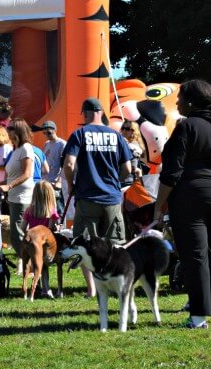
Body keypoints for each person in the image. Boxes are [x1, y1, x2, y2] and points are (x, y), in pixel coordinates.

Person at [154, 80, 211, 328]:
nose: (177, 102)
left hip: (193, 195)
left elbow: (171, 172)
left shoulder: (186, 127)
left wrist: (159, 205)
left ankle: (198, 316)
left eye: (180, 98)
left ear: (192, 101)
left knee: (195, 254)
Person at [63, 98, 133, 297]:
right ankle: (115, 286)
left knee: (85, 244)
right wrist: (113, 183)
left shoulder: (79, 134)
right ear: (101, 113)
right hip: (112, 199)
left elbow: (69, 164)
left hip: (87, 198)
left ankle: (92, 289)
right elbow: (127, 168)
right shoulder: (116, 136)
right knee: (114, 245)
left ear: (85, 113)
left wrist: (71, 185)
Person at [1, 118, 36, 255]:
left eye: (11, 130)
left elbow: (27, 174)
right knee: (16, 234)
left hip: (23, 197)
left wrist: (9, 186)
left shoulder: (26, 148)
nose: (8, 134)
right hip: (14, 197)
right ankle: (28, 263)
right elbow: (12, 175)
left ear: (18, 132)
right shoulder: (16, 150)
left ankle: (30, 264)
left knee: (18, 234)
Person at [41, 120, 67, 207]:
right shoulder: (47, 143)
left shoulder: (62, 144)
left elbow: (65, 165)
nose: (46, 135)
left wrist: (59, 182)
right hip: (46, 182)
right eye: (44, 133)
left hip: (54, 183)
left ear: (55, 130)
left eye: (48, 132)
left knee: (58, 210)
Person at [119, 121, 145, 185]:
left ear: (134, 131)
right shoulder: (124, 143)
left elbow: (133, 168)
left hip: (126, 183)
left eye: (127, 129)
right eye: (122, 128)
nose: (124, 131)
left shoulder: (133, 147)